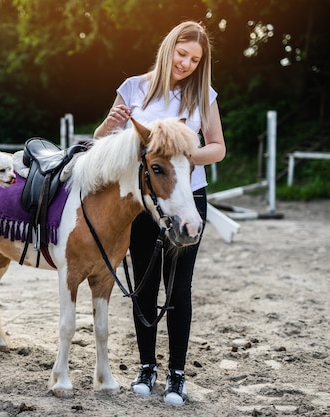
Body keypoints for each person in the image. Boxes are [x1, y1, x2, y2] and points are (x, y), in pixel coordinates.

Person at [93, 21, 226, 405]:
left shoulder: (203, 96)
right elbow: (103, 145)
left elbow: (217, 147)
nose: (186, 63)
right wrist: (106, 127)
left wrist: (180, 157)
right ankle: (146, 366)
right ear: (169, 47)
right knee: (145, 286)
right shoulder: (133, 88)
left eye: (195, 59)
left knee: (179, 287)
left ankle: (178, 374)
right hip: (143, 202)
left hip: (188, 197)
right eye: (182, 53)